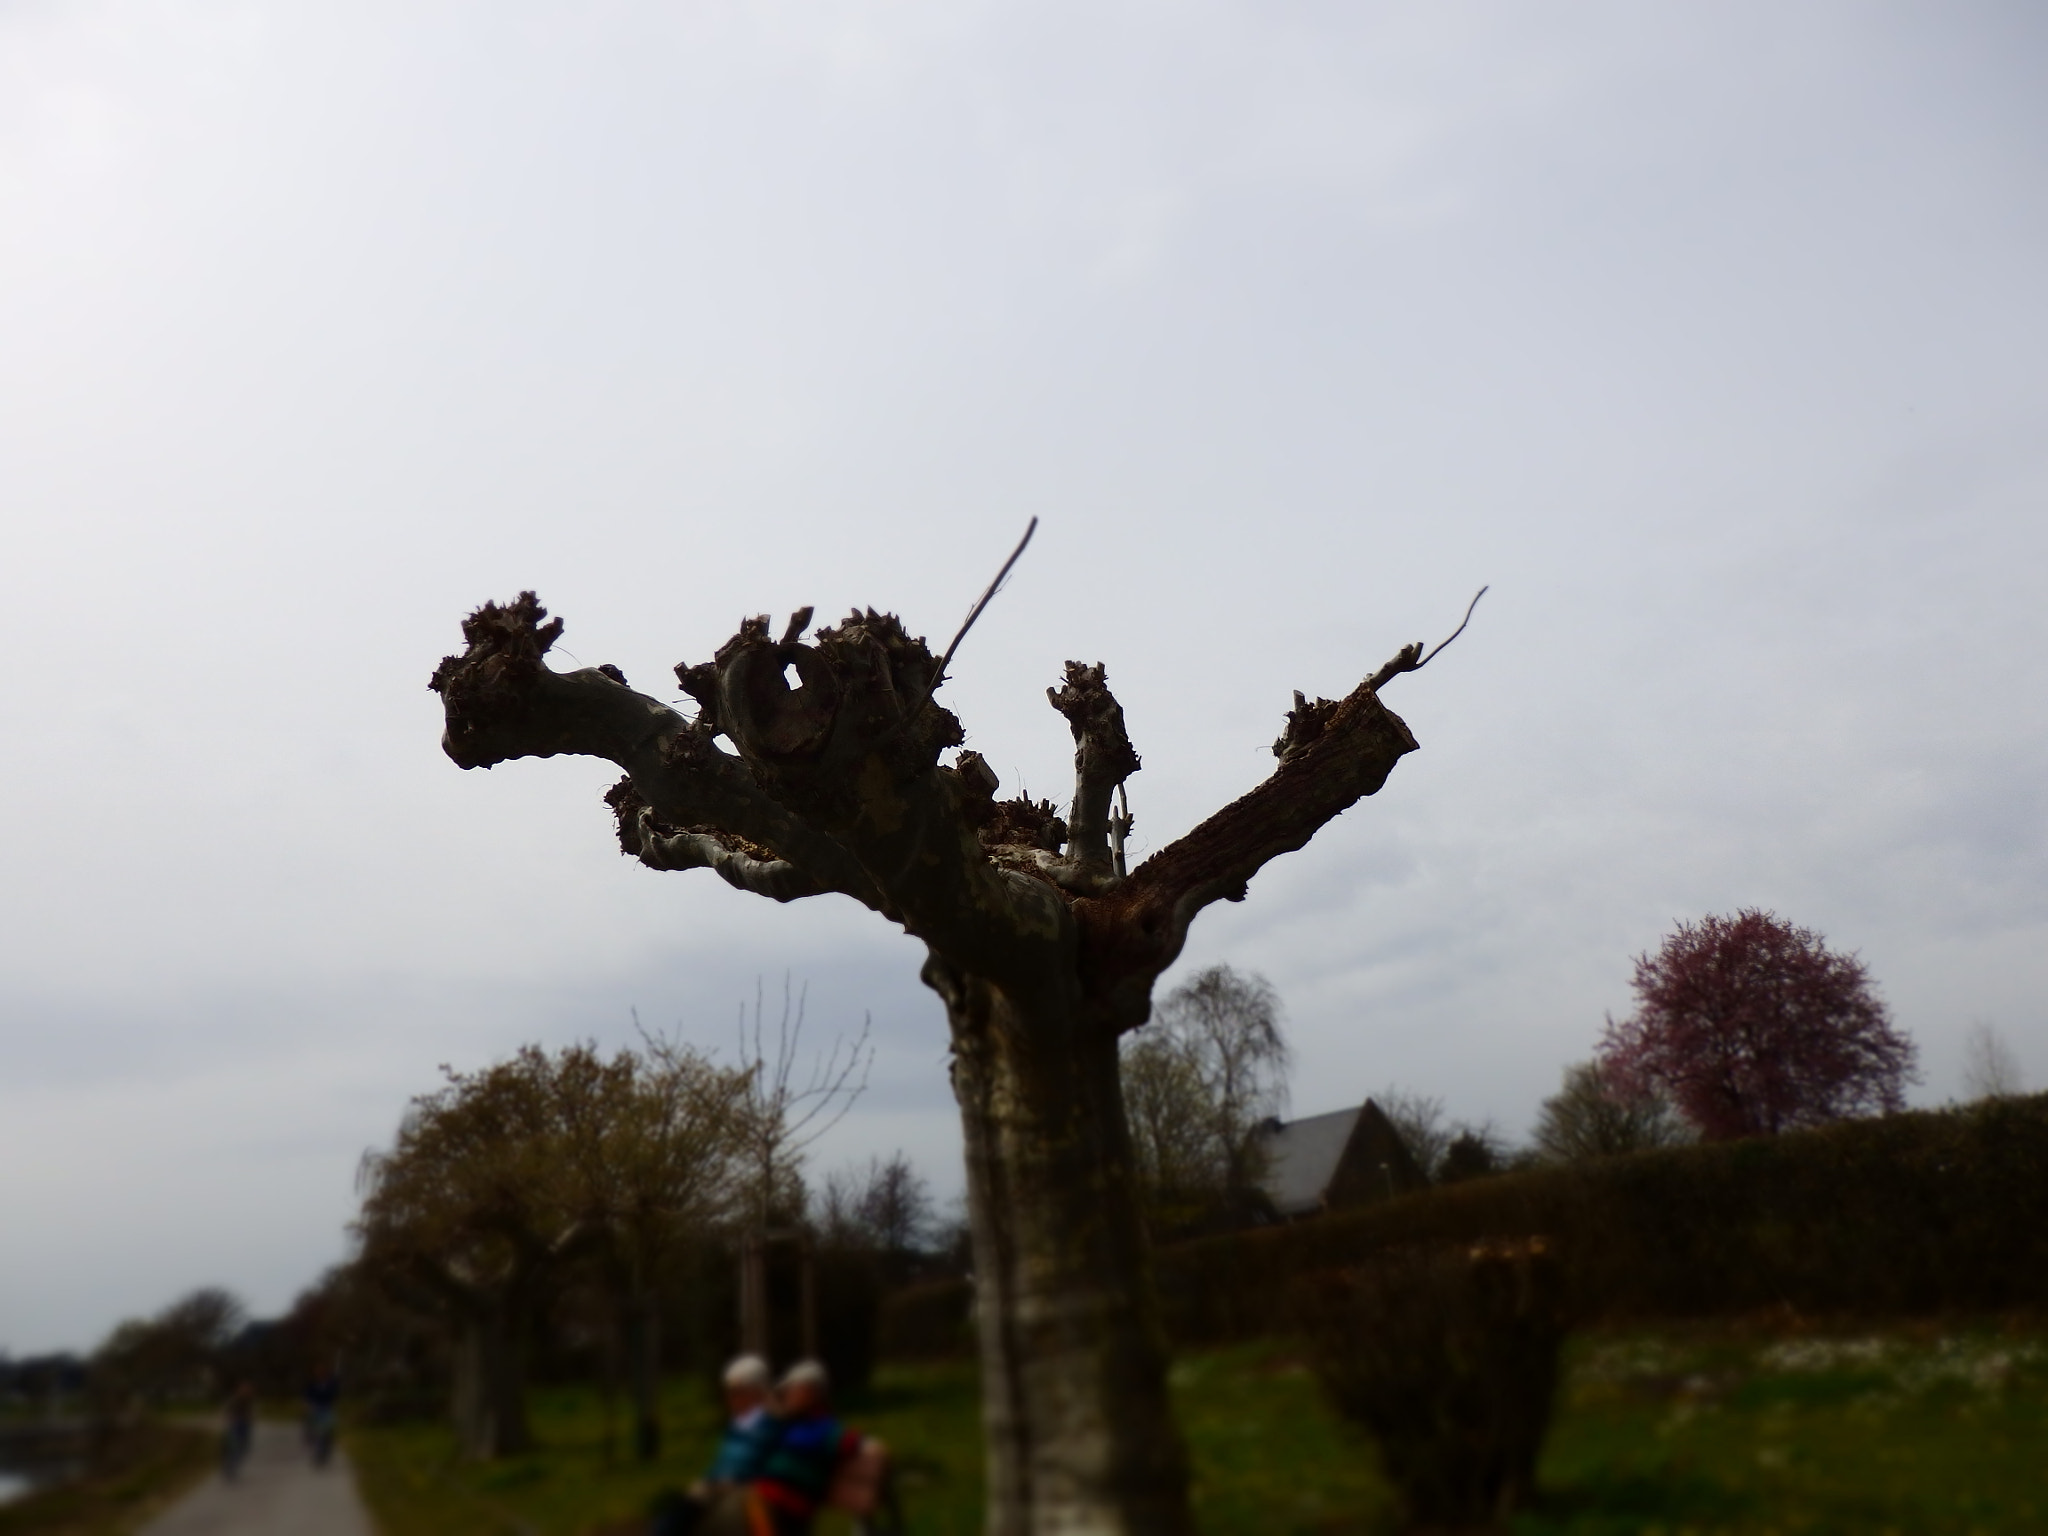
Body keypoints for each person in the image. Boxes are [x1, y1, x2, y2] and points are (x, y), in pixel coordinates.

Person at [647, 1355, 776, 1536]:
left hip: (744, 1486)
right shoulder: (736, 1425)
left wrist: (736, 1479)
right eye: (731, 1393)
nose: (732, 1399)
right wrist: (713, 1478)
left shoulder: (768, 1424)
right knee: (678, 1507)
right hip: (718, 1483)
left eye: (739, 1393)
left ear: (756, 1392)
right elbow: (724, 1459)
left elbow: (758, 1459)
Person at [748, 1361, 863, 1536]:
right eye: (786, 1392)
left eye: (792, 1391)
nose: (786, 1396)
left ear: (811, 1392)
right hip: (766, 1499)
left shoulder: (825, 1427)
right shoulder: (790, 1424)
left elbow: (849, 1442)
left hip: (789, 1505)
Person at [303, 1365, 341, 1467]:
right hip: (315, 1408)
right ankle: (318, 1453)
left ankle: (325, 1450)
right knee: (317, 1432)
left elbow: (335, 1396)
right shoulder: (312, 1384)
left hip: (328, 1408)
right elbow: (307, 1396)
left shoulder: (331, 1384)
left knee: (327, 1432)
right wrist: (308, 1407)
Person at [220, 1380, 256, 1482]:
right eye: (245, 1388)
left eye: (248, 1389)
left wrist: (251, 1417)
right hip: (236, 1425)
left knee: (244, 1447)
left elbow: (251, 1412)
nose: (247, 1391)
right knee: (235, 1447)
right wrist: (231, 1419)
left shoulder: (249, 1400)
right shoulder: (235, 1399)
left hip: (245, 1425)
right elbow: (227, 1411)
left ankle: (231, 1467)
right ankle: (230, 1469)